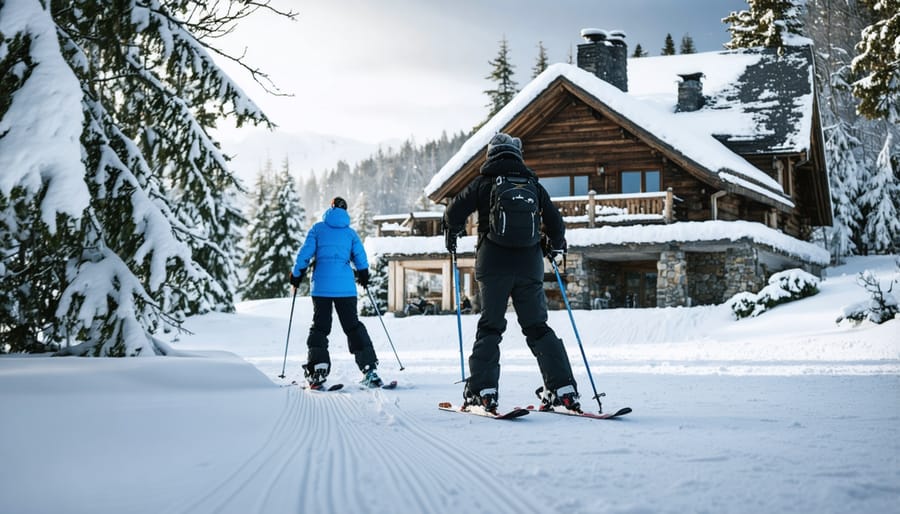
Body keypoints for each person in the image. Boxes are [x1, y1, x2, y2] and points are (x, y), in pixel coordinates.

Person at [442, 133, 581, 413]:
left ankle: (484, 391)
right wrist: (555, 247)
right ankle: (563, 388)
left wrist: (452, 234)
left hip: (493, 264)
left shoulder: (483, 183)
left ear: (491, 154)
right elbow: (556, 224)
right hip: (529, 265)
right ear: (518, 154)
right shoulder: (534, 185)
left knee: (491, 326)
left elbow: (453, 212)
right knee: (538, 327)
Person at [290, 196, 383, 388]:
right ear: (345, 211)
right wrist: (363, 275)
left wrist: (296, 275)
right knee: (353, 327)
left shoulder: (318, 229)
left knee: (320, 328)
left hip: (322, 288)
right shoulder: (350, 234)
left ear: (330, 209)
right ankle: (369, 370)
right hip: (345, 289)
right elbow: (360, 257)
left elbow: (304, 254)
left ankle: (317, 371)